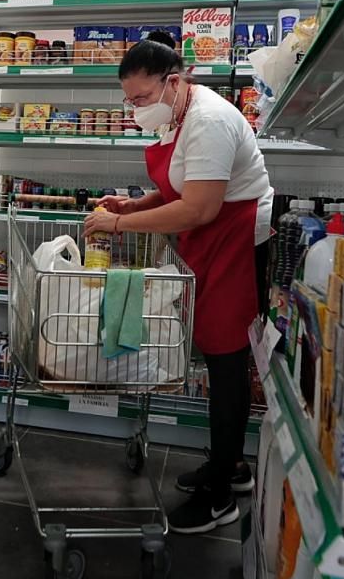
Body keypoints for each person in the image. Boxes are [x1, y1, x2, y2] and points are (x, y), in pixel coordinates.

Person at [84, 33, 273, 534]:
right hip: (213, 235)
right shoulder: (178, 114)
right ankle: (228, 469)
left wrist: (118, 226)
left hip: (235, 238)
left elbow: (199, 207)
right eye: (128, 99)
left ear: (174, 82)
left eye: (142, 98)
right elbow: (177, 189)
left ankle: (220, 499)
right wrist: (134, 205)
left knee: (226, 357)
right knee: (215, 352)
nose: (135, 108)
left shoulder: (209, 120)